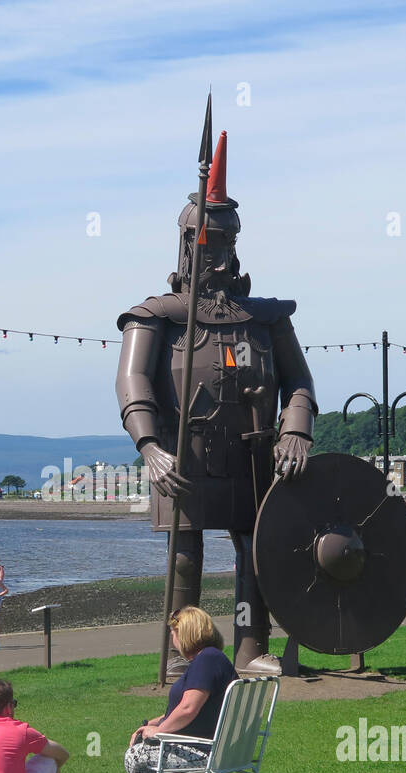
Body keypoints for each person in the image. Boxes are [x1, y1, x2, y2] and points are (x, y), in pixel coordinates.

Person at [114, 131, 317, 678]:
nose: (214, 252)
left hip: (253, 457)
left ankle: (252, 650)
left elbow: (300, 383)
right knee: (186, 555)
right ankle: (189, 659)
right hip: (186, 460)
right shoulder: (155, 316)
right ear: (187, 244)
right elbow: (133, 381)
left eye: (224, 242)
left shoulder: (267, 318)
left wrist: (295, 430)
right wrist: (150, 446)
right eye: (206, 240)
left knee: (256, 551)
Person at [124, 606, 238, 773]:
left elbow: (188, 709)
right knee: (146, 748)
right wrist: (153, 723)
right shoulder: (215, 659)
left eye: (173, 633)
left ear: (183, 633)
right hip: (228, 749)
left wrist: (158, 732)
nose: (172, 639)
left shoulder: (205, 661)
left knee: (136, 756)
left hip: (207, 753)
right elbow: (191, 709)